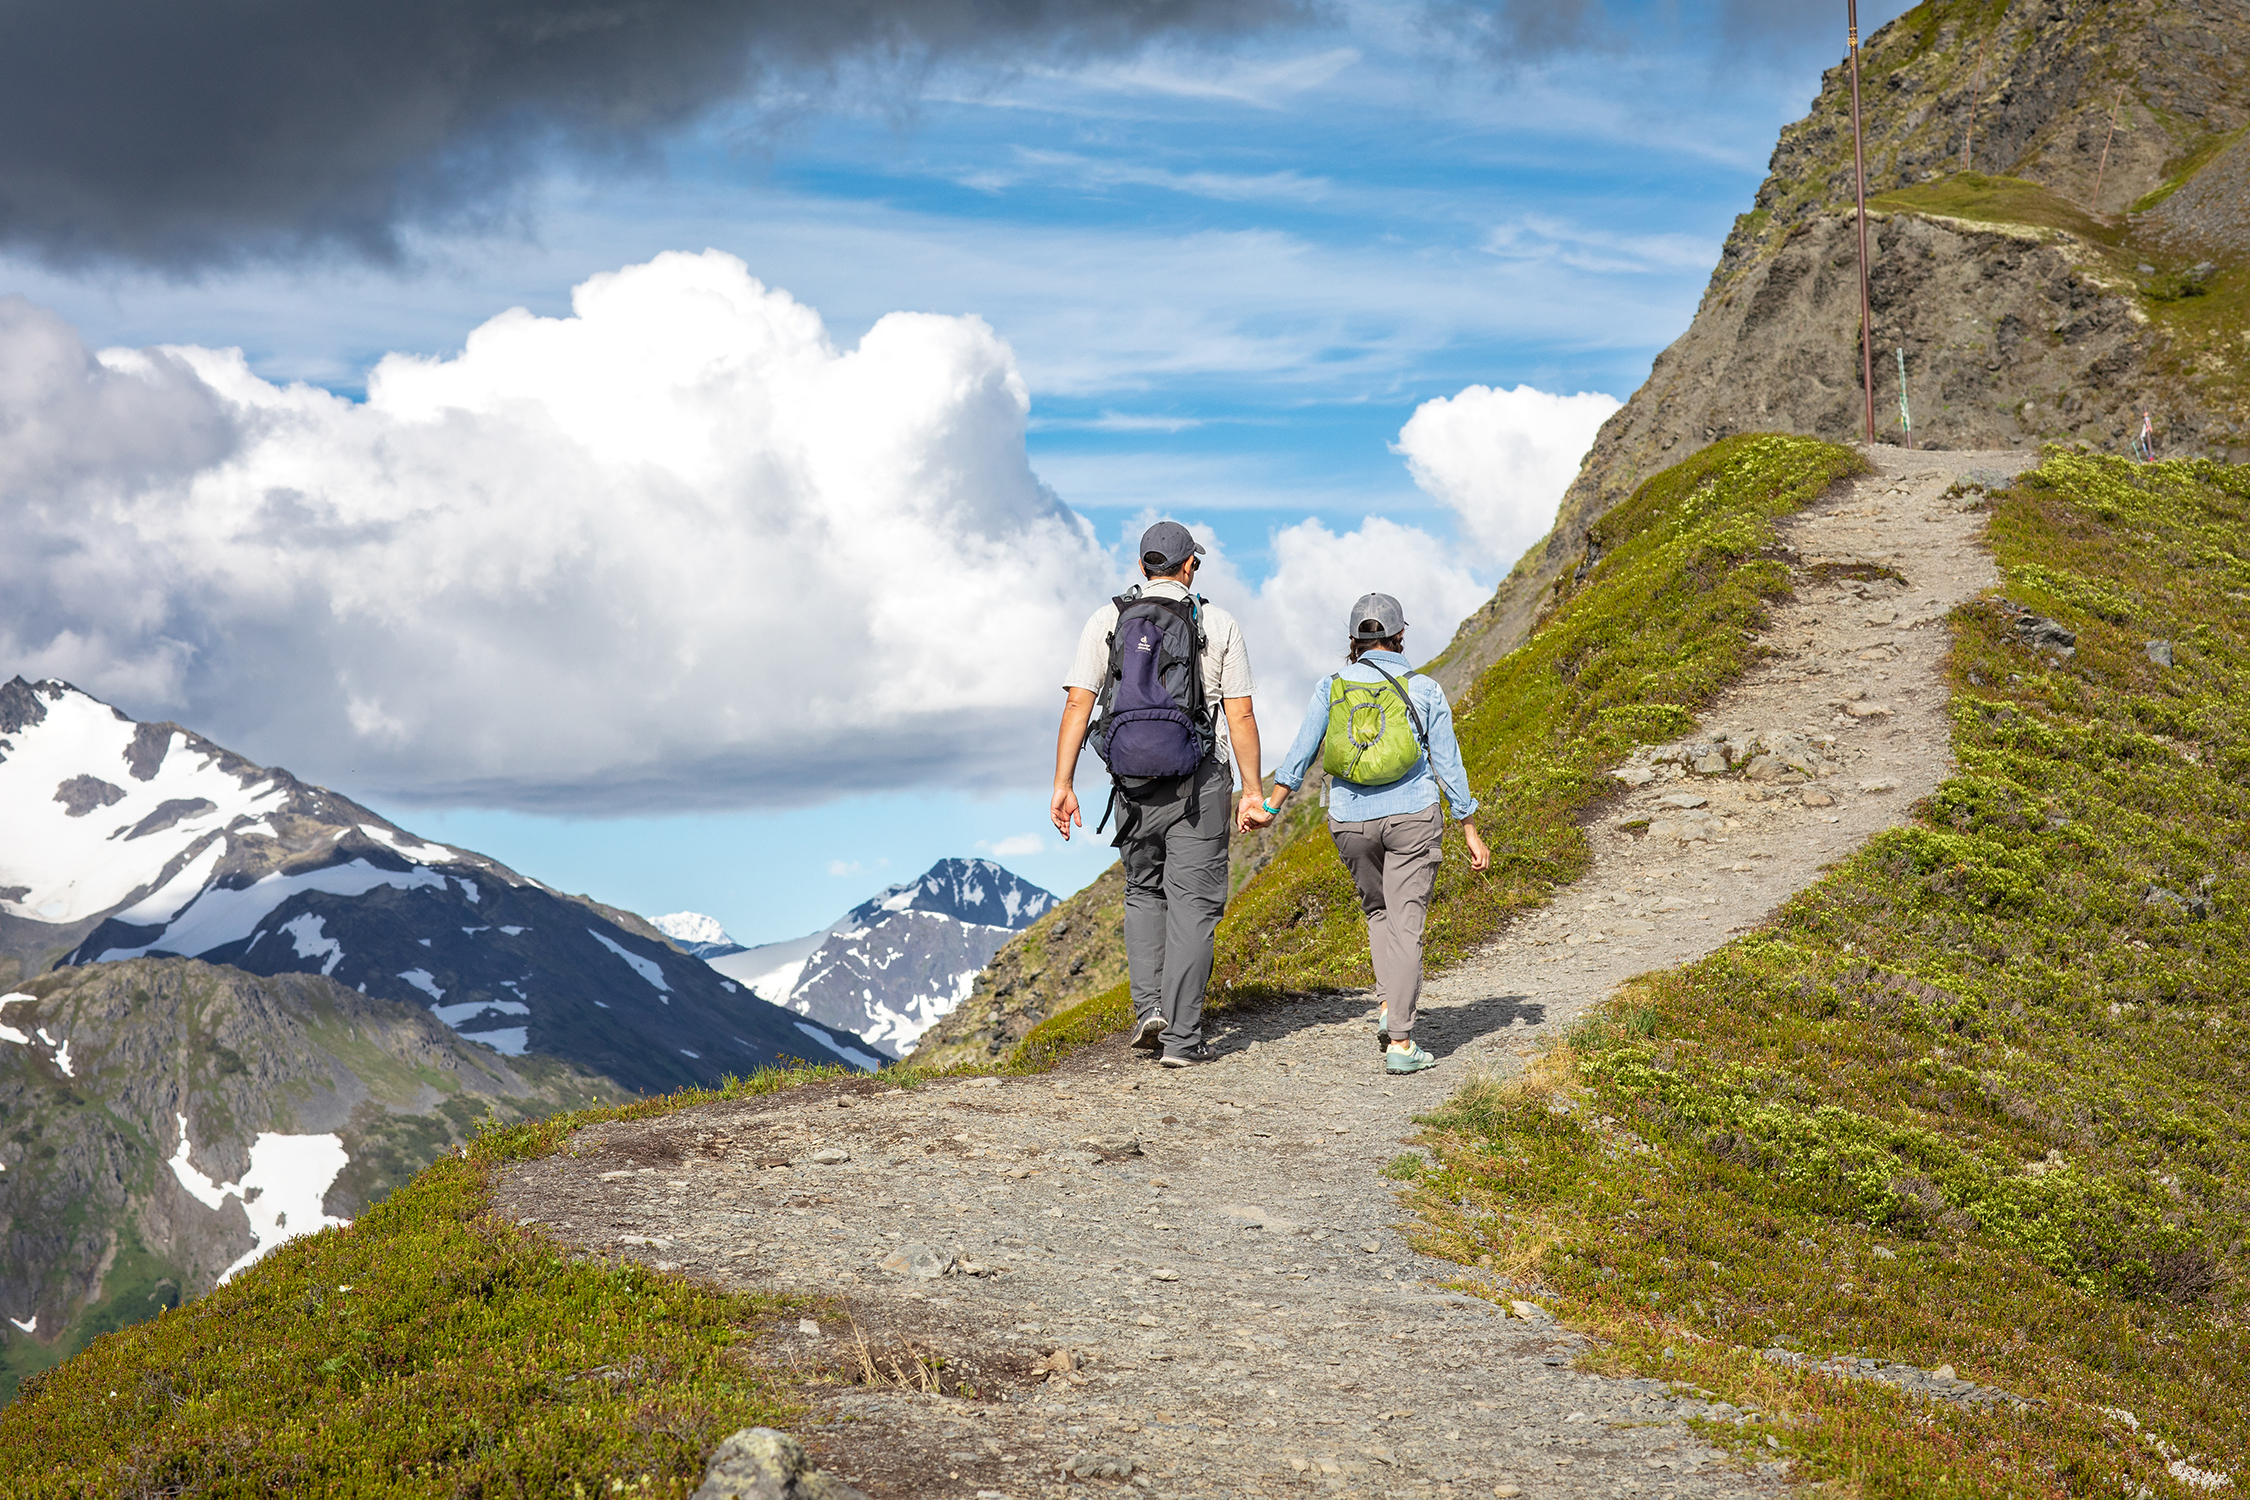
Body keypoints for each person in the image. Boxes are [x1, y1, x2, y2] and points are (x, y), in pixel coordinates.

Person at [1051, 521, 1265, 1067]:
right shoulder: (1217, 622)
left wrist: (1064, 783)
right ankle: (1182, 1039)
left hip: (1132, 782)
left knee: (1144, 892)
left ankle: (1150, 1009)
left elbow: (1079, 703)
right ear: (1190, 565)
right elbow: (1238, 712)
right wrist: (1252, 791)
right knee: (1193, 907)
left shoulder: (1108, 619)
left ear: (1143, 566)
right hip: (1201, 780)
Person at [1248, 592, 1489, 1074]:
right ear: (1400, 636)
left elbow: (1301, 751)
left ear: (1354, 640)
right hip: (1412, 819)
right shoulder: (1424, 689)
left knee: (1379, 911)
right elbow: (1448, 761)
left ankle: (1386, 1006)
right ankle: (1400, 1042)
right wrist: (1468, 826)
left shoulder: (1331, 685)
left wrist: (1272, 804)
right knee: (1408, 922)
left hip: (1350, 820)